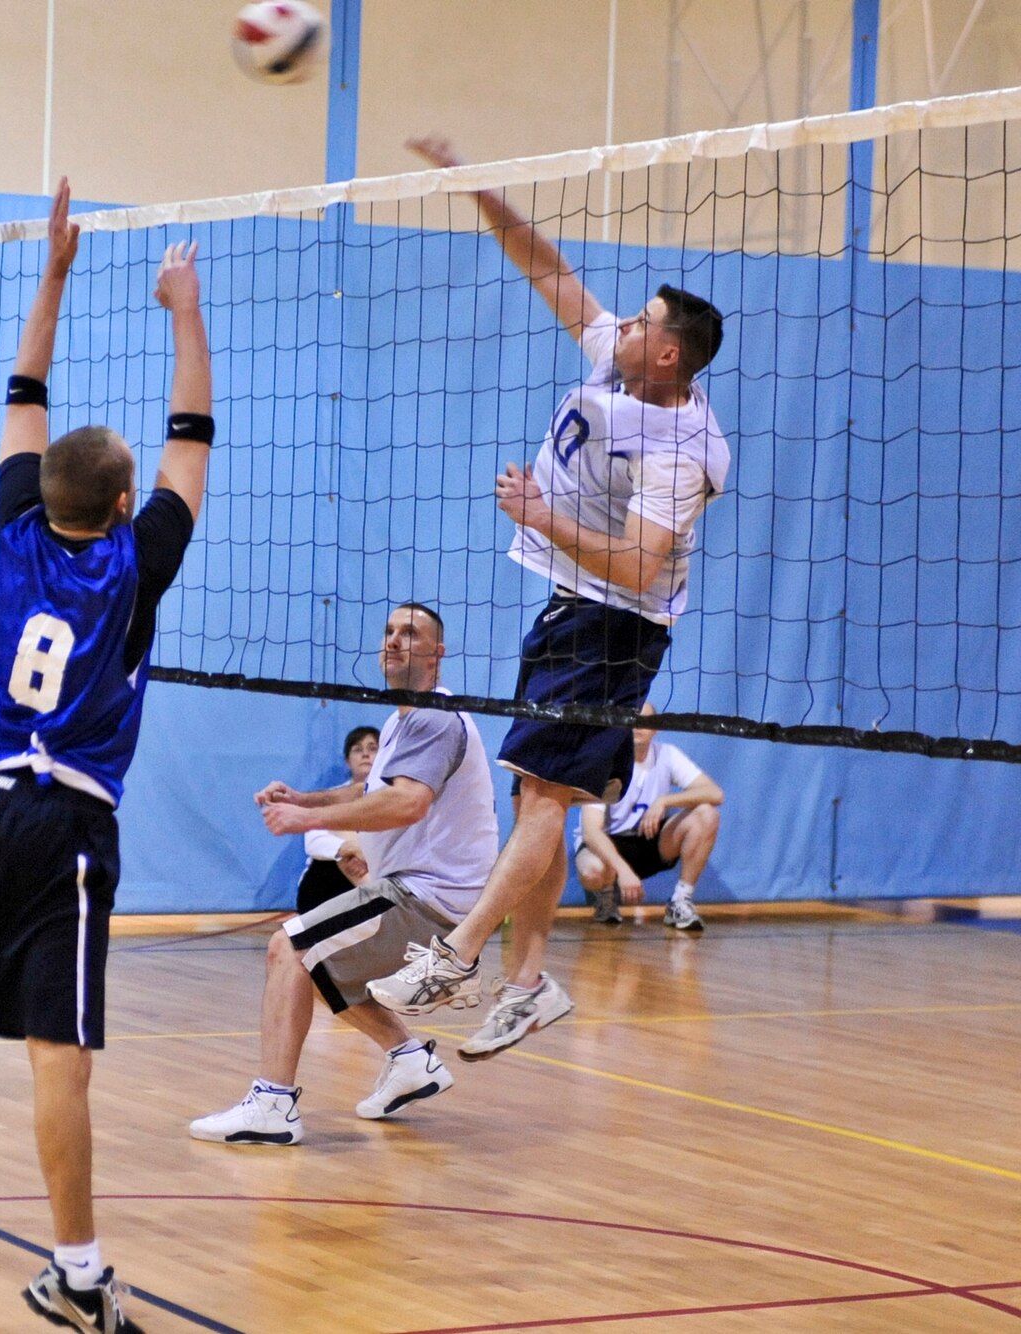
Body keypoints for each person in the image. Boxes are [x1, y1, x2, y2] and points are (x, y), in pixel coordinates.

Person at [0, 182, 210, 1334]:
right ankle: (74, 1271)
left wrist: (56, 271)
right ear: (123, 506)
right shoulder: (140, 562)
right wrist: (182, 307)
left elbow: (23, 392)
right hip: (63, 823)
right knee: (59, 1055)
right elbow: (193, 437)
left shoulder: (13, 525)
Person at [369, 136, 730, 1061]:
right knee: (543, 793)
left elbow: (644, 568)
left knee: (541, 805)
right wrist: (475, 180)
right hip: (569, 611)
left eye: (644, 321)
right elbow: (547, 267)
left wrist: (540, 515)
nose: (625, 324)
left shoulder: (680, 449)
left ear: (671, 353)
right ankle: (529, 986)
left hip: (614, 628)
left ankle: (461, 955)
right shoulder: (622, 360)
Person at [190, 604, 497, 1145]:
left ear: (437, 652)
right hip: (411, 889)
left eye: (411, 633)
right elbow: (370, 791)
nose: (396, 641)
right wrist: (304, 797)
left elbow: (407, 803)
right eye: (389, 632)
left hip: (427, 897)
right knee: (326, 971)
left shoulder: (434, 716)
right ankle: (409, 1061)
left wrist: (309, 819)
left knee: (289, 949)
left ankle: (273, 1104)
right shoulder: (401, 719)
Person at [575, 703, 724, 929]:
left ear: (656, 729)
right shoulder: (604, 762)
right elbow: (591, 832)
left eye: (645, 722)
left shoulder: (667, 755)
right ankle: (606, 897)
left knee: (706, 814)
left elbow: (715, 793)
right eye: (633, 720)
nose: (638, 727)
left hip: (650, 839)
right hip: (608, 845)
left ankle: (680, 901)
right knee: (591, 870)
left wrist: (665, 801)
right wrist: (623, 871)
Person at [293, 725, 380, 915]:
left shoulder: (395, 800)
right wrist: (350, 851)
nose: (365, 754)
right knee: (336, 860)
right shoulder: (331, 798)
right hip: (331, 879)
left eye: (372, 748)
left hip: (375, 873)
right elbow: (314, 843)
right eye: (358, 749)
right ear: (347, 761)